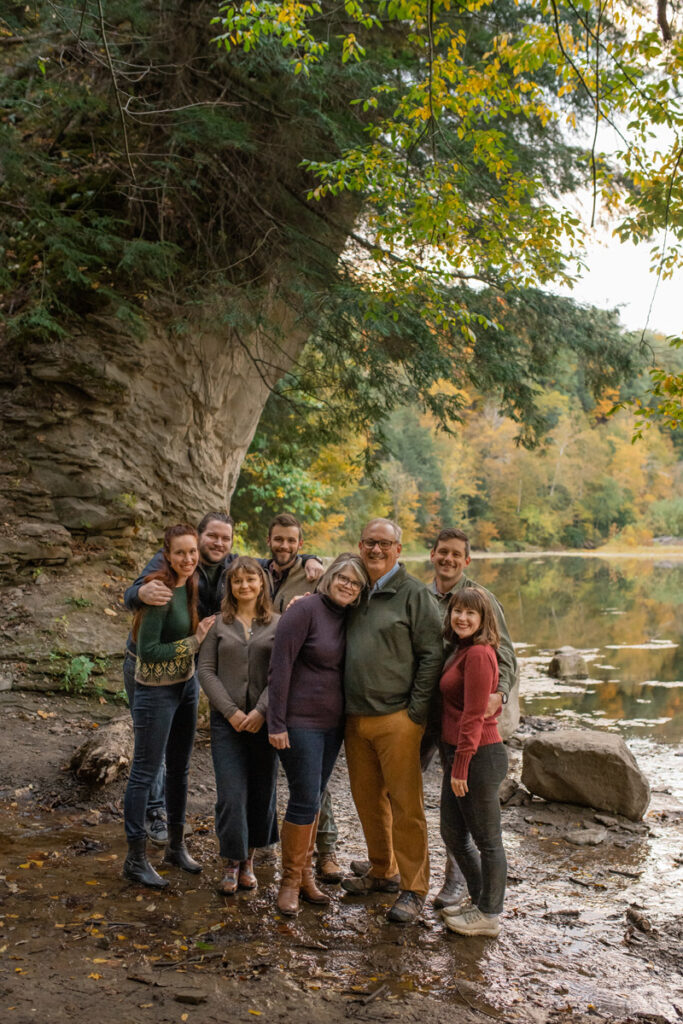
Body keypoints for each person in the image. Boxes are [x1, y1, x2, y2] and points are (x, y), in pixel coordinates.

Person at [123, 512, 323, 844]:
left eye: (225, 538)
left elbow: (261, 565)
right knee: (151, 758)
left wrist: (308, 559)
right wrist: (139, 595)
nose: (217, 543)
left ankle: (176, 842)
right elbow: (136, 594)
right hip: (151, 671)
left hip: (187, 670)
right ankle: (151, 820)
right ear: (198, 538)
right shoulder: (170, 566)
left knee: (179, 760)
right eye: (211, 536)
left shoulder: (229, 566)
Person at [341, 518, 443, 924]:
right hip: (354, 718)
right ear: (360, 545)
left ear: (399, 549)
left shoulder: (414, 594)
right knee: (367, 801)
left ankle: (414, 887)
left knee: (406, 806)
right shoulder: (354, 588)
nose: (376, 550)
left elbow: (432, 655)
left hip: (398, 718)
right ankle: (382, 870)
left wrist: (415, 712)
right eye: (369, 542)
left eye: (385, 543)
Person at [268, 553, 370, 915]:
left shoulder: (350, 617)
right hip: (299, 722)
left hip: (333, 726)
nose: (348, 585)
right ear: (328, 577)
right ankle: (289, 882)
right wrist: (276, 723)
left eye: (355, 582)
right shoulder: (304, 610)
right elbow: (279, 669)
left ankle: (307, 876)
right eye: (342, 577)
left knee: (313, 798)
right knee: (303, 798)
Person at [426, 527, 517, 908]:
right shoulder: (418, 595)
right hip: (431, 716)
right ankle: (393, 866)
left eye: (455, 554)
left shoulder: (480, 600)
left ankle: (460, 887)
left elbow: (505, 654)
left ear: (466, 560)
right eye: (441, 552)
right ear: (432, 554)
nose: (447, 559)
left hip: (469, 729)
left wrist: (499, 693)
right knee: (439, 814)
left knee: (475, 825)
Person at [122, 524, 215, 889]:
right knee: (145, 771)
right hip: (154, 688)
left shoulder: (189, 580)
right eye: (181, 553)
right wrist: (195, 641)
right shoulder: (159, 589)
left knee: (180, 767)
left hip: (184, 684)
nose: (188, 559)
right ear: (167, 553)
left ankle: (176, 846)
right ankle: (135, 858)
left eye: (193, 552)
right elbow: (149, 651)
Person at [263, 513, 343, 884]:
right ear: (269, 540)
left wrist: (314, 561)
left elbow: (334, 592)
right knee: (294, 784)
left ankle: (324, 853)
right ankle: (261, 854)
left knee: (312, 787)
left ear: (300, 543)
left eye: (292, 541)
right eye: (278, 539)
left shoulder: (313, 577)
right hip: (263, 686)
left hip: (299, 692)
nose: (284, 546)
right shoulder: (256, 574)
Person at [197, 557, 280, 895]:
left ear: (262, 583)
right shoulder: (219, 624)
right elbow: (205, 670)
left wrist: (261, 710)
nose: (244, 586)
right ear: (229, 587)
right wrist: (230, 711)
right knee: (232, 795)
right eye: (237, 581)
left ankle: (248, 860)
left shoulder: (278, 624)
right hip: (226, 723)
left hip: (265, 722)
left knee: (262, 792)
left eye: (251, 580)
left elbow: (282, 674)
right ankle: (230, 861)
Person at [438, 587, 508, 937]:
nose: (462, 618)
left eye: (470, 613)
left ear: (483, 620)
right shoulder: (462, 650)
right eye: (457, 611)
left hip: (479, 756)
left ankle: (489, 914)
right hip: (460, 754)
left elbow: (474, 716)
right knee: (452, 832)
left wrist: (461, 766)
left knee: (487, 840)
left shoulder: (480, 653)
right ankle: (480, 899)